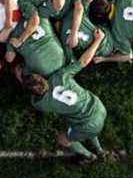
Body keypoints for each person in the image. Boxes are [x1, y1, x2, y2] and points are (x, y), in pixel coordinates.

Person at [22, 29, 110, 164]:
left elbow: (31, 92)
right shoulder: (60, 76)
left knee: (62, 139)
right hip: (98, 106)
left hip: (87, 124)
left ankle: (89, 156)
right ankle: (99, 150)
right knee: (86, 126)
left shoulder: (40, 104)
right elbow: (84, 60)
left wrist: (20, 75)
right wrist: (97, 40)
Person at [6, 13, 71, 78]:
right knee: (9, 57)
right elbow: (18, 69)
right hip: (16, 31)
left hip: (38, 18)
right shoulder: (42, 73)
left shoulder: (63, 60)